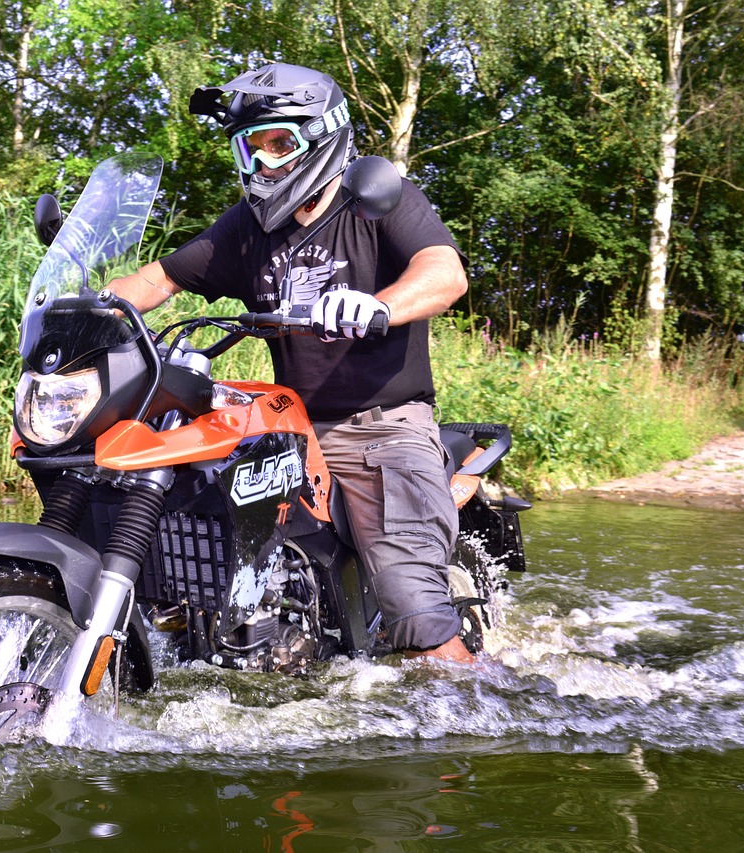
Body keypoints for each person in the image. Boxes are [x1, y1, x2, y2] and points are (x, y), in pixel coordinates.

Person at [108, 62, 473, 664]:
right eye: (254, 147)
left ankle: (475, 704)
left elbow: (444, 271)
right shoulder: (249, 227)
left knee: (413, 608)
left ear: (322, 137)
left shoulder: (379, 200)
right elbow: (161, 277)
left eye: (281, 144)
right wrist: (98, 309)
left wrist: (378, 307)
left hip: (381, 428)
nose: (266, 162)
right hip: (288, 423)